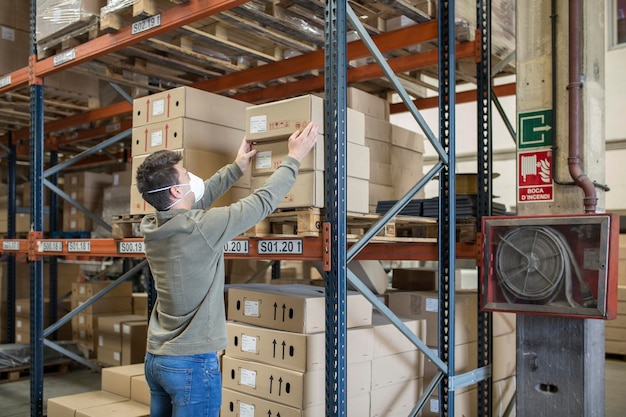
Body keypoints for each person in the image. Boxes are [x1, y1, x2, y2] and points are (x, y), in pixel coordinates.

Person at [135, 121, 319, 417]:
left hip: (157, 359)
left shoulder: (153, 226)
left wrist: (236, 168)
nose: (192, 178)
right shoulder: (201, 228)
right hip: (191, 363)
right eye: (186, 175)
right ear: (174, 191)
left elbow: (198, 198)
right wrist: (294, 158)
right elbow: (261, 202)